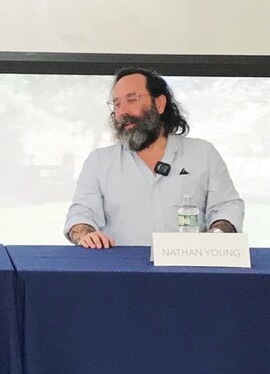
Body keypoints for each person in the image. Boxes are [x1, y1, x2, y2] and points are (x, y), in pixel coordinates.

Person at [65, 68, 244, 248]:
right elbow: (81, 214)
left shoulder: (203, 152)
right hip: (123, 271)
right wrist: (86, 234)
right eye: (117, 104)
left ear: (159, 104)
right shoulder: (99, 161)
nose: (122, 112)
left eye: (132, 99)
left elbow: (227, 206)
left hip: (190, 268)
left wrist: (217, 235)